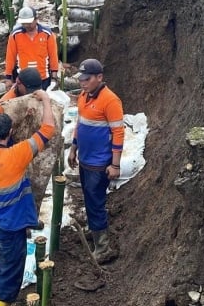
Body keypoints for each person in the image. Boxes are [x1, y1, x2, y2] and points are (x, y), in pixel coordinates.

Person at [0, 90, 55, 306]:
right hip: (10, 233)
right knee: (8, 289)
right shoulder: (17, 155)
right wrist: (46, 100)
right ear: (11, 132)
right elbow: (48, 129)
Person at [67, 59, 123, 264]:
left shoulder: (110, 101)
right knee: (90, 198)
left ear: (99, 77)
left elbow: (118, 133)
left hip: (99, 162)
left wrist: (115, 164)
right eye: (81, 79)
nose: (83, 83)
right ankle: (95, 230)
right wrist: (73, 147)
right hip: (85, 159)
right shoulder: (83, 96)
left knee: (95, 201)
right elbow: (79, 123)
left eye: (87, 79)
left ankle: (103, 247)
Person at [5, 7, 59, 91]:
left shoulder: (47, 34)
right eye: (24, 23)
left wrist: (54, 78)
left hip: (43, 78)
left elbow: (53, 57)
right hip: (23, 80)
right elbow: (10, 57)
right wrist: (8, 78)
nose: (26, 26)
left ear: (36, 19)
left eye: (29, 23)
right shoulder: (15, 35)